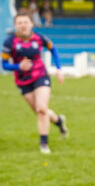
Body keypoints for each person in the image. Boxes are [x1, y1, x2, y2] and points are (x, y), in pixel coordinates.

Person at [2, 13, 69, 153]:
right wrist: (18, 67)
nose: (23, 25)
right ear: (15, 25)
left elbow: (53, 49)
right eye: (19, 22)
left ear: (31, 23)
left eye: (25, 22)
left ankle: (44, 144)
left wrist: (58, 68)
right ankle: (59, 122)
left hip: (40, 76)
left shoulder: (39, 38)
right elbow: (4, 64)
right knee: (40, 111)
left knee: (41, 109)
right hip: (22, 81)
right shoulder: (9, 42)